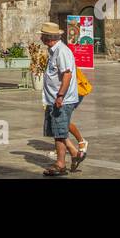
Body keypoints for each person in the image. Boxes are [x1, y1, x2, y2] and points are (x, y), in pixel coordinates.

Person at [38, 21, 84, 177]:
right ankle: (73, 153)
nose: (41, 38)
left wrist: (60, 96)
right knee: (59, 132)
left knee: (59, 133)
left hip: (62, 100)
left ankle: (61, 163)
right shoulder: (54, 51)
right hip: (54, 99)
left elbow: (67, 74)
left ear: (48, 37)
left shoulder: (62, 51)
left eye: (42, 35)